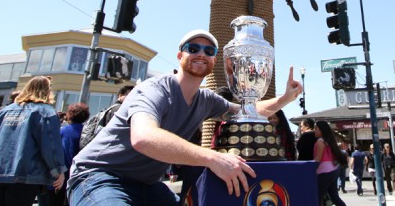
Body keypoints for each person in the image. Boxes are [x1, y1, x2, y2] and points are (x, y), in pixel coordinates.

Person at [67, 29, 303, 206]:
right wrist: (212, 158)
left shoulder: (206, 100)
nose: (201, 54)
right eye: (193, 48)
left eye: (209, 51)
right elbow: (143, 137)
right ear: (180, 54)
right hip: (100, 176)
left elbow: (247, 112)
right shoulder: (154, 89)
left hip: (148, 185)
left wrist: (285, 99)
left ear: (214, 61)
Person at [0, 76, 66, 206]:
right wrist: (58, 170)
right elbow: (50, 145)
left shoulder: (3, 111)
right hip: (23, 174)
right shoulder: (46, 112)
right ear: (47, 91)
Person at [45, 102, 89, 206]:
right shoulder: (87, 131)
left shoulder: (62, 131)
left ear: (69, 114)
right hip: (78, 179)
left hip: (59, 178)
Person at [313, 121, 347, 206]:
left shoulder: (320, 142)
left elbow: (318, 159)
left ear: (321, 130)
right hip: (333, 170)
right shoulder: (329, 141)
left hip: (323, 172)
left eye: (316, 128)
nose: (314, 130)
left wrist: (310, 168)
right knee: (335, 197)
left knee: (317, 198)